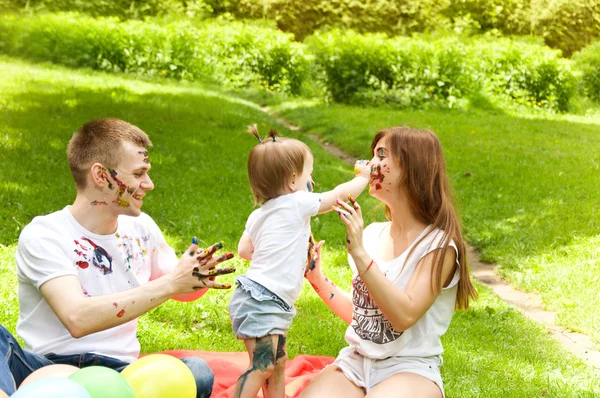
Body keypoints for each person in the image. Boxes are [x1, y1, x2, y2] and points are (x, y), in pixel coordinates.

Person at [0, 118, 235, 397]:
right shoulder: (45, 233)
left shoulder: (141, 227)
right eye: (139, 174)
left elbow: (180, 288)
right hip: (44, 370)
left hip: (122, 376)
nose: (149, 184)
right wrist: (172, 282)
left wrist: (197, 275)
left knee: (195, 371)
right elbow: (77, 318)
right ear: (101, 175)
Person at [301, 126, 478, 398]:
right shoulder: (372, 235)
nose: (371, 165)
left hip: (410, 369)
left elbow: (402, 316)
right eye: (373, 156)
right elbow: (367, 319)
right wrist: (317, 278)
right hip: (356, 362)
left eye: (381, 156)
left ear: (412, 168)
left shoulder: (439, 247)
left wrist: (360, 254)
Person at [229, 126, 371, 398]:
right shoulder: (297, 201)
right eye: (310, 174)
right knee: (263, 365)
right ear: (294, 180)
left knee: (278, 364)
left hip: (262, 299)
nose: (313, 181)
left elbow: (245, 250)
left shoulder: (258, 215)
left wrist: (286, 252)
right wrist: (362, 177)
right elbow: (338, 196)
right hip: (263, 300)